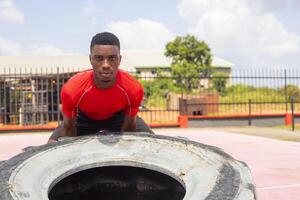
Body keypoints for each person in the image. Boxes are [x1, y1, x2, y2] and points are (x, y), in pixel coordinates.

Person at [48, 32, 153, 143]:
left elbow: (129, 129)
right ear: (90, 59)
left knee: (153, 145)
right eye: (99, 58)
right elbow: (69, 129)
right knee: (50, 146)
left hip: (118, 117)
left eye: (112, 58)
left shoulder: (133, 88)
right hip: (83, 118)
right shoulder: (72, 89)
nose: (105, 65)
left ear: (119, 60)